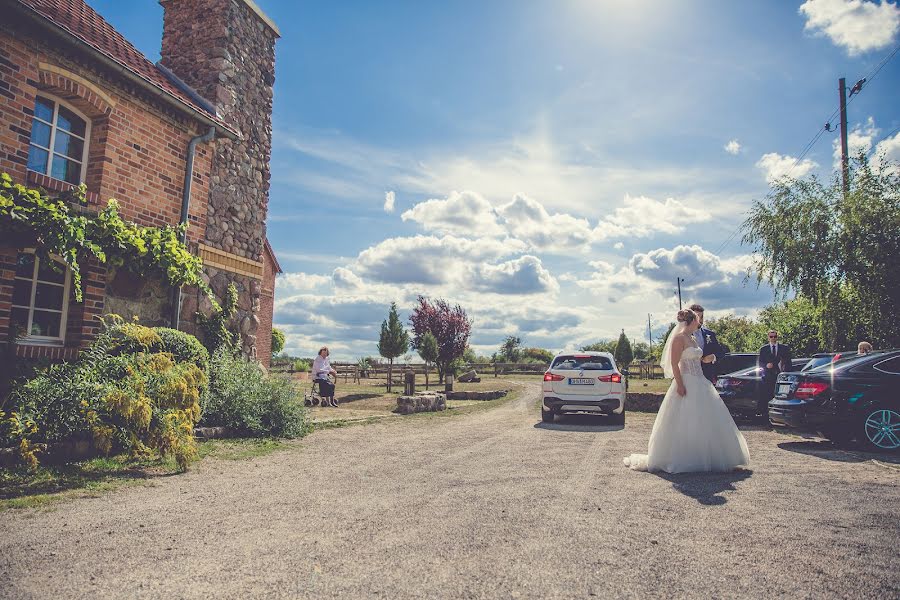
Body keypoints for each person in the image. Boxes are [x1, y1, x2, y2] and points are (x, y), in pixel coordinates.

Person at [624, 309, 750, 473]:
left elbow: (697, 359)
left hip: (701, 382)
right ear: (691, 321)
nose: (700, 322)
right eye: (697, 319)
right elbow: (675, 364)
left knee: (705, 418)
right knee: (685, 418)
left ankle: (708, 455)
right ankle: (683, 457)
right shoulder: (678, 338)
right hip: (686, 381)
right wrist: (680, 384)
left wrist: (708, 358)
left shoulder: (692, 338)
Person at [757, 330, 791, 416]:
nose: (773, 338)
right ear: (768, 337)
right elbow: (760, 363)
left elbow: (789, 362)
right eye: (771, 337)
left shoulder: (784, 348)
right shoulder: (764, 349)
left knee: (781, 397)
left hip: (781, 377)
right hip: (768, 377)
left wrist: (786, 372)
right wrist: (766, 366)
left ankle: (781, 415)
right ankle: (767, 415)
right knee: (768, 396)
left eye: (775, 336)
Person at [689, 304, 725, 383]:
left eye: (702, 317)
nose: (701, 320)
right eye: (698, 316)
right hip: (689, 377)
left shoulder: (710, 334)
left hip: (707, 377)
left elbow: (721, 352)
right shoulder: (684, 335)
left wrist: (713, 357)